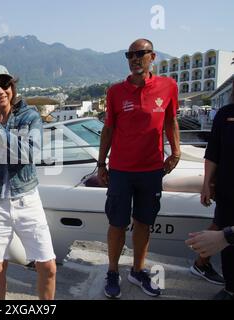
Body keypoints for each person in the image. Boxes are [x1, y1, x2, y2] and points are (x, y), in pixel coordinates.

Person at [0, 64, 56, 300]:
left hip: (26, 199)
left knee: (47, 265)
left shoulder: (29, 117)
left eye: (5, 84)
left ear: (12, 86)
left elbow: (31, 153)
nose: (0, 90)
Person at [97, 39, 181, 299]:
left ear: (152, 56)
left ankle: (137, 269)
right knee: (117, 223)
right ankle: (113, 271)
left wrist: (176, 152)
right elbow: (108, 129)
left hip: (152, 169)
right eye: (130, 55)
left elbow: (171, 121)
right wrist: (101, 163)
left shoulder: (168, 86)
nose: (134, 59)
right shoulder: (115, 92)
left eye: (140, 54)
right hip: (121, 170)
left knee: (144, 223)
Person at [187, 80, 234, 300]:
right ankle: (230, 287)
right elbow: (213, 152)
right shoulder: (225, 115)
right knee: (226, 242)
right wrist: (207, 183)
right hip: (227, 190)